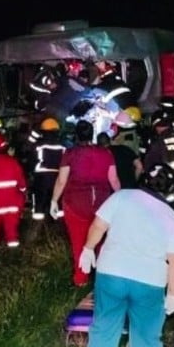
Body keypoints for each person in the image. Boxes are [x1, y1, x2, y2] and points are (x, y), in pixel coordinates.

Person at [78, 163, 174, 347]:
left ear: (143, 179)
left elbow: (98, 226)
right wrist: (172, 294)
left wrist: (87, 248)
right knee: (147, 336)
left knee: (104, 329)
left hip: (111, 275)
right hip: (149, 283)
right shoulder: (173, 218)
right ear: (169, 189)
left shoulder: (122, 197)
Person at [51, 119, 121, 287]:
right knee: (101, 241)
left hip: (76, 202)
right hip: (102, 204)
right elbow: (114, 180)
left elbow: (61, 180)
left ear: (76, 135)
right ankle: (105, 277)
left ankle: (81, 279)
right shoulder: (106, 153)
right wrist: (120, 200)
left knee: (79, 241)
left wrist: (54, 200)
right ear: (92, 134)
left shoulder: (70, 154)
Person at [26, 117, 66, 221]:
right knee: (58, 199)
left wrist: (30, 173)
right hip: (58, 176)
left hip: (41, 177)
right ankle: (58, 221)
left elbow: (31, 159)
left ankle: (38, 221)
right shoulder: (63, 146)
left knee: (39, 199)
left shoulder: (38, 145)